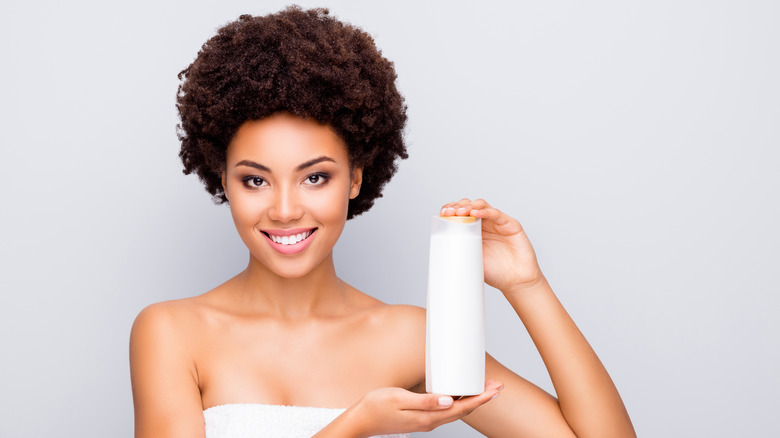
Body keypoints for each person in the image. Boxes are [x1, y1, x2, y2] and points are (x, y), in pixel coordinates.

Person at [129, 6, 636, 438]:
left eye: (315, 178)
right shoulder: (172, 333)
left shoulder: (409, 338)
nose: (284, 210)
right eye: (255, 180)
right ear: (222, 178)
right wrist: (356, 423)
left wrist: (528, 285)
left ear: (354, 179)